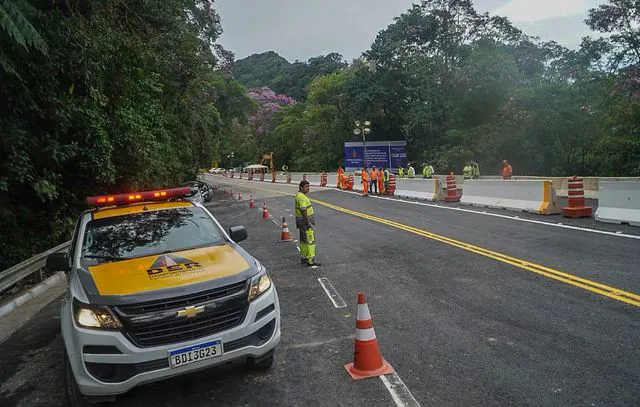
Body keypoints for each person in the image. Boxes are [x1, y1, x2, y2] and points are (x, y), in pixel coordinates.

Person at [295, 180, 320, 267]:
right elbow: (303, 210)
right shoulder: (301, 197)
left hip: (301, 220)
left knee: (303, 240)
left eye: (308, 186)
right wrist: (308, 222)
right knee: (310, 240)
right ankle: (310, 260)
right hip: (304, 221)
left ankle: (304, 257)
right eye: (306, 187)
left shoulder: (300, 195)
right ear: (301, 187)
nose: (308, 188)